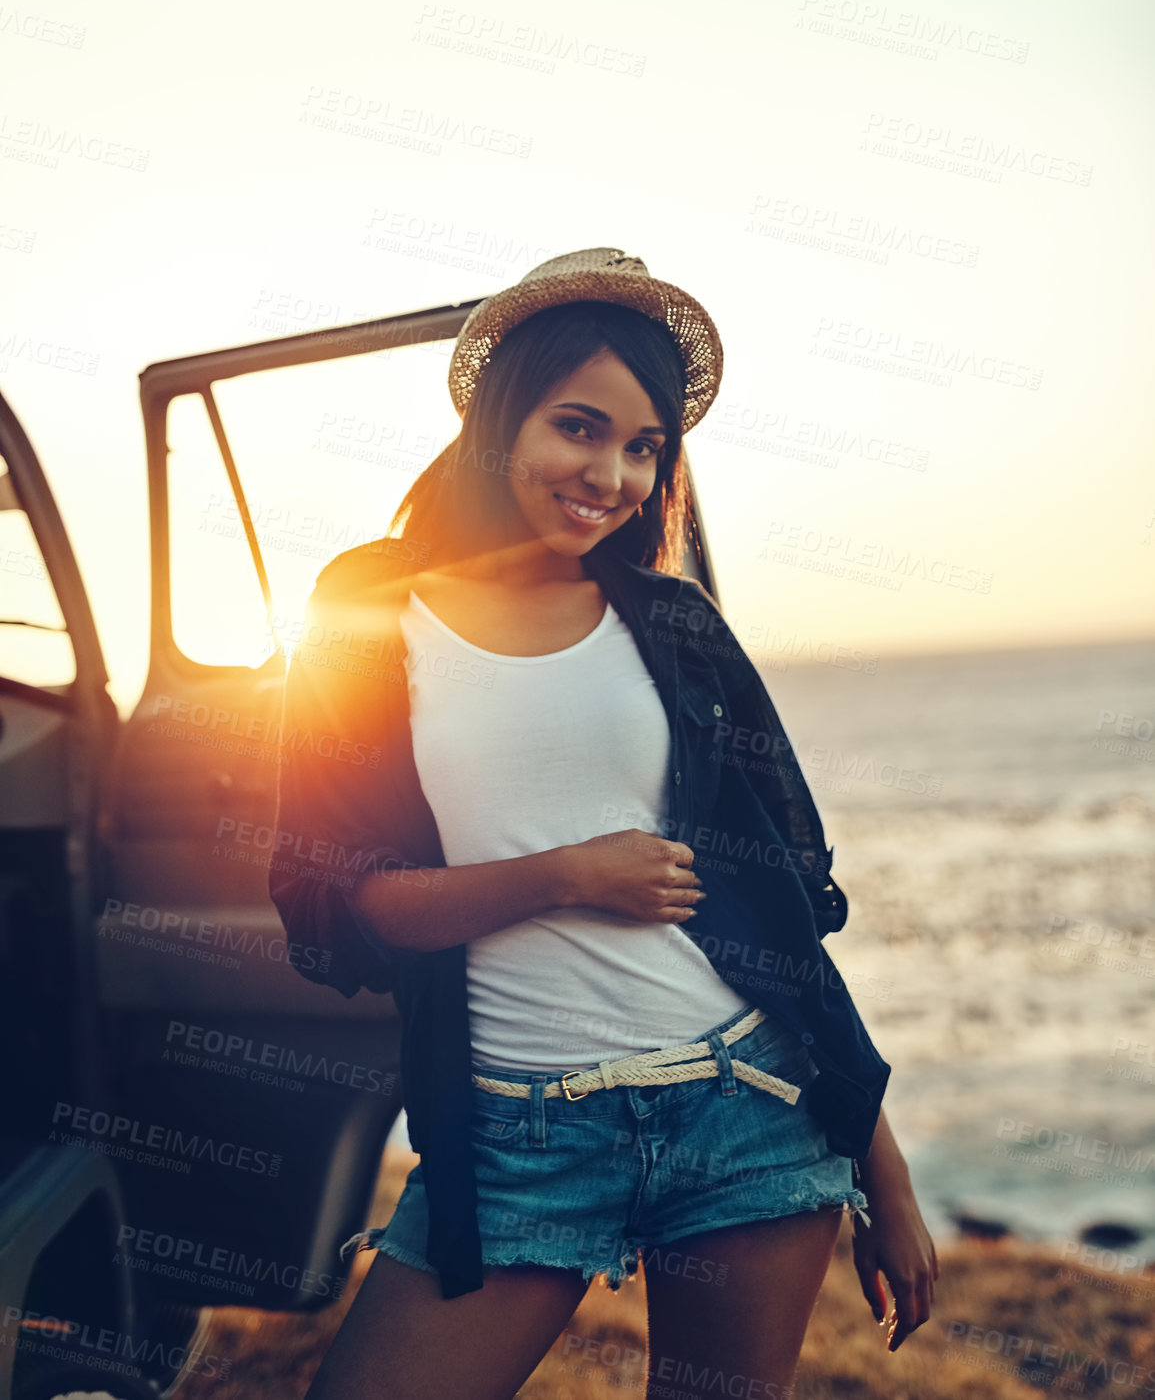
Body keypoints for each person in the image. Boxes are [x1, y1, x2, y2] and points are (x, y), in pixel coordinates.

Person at [269, 248, 938, 1400]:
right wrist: (567, 873)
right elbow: (344, 895)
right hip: (516, 1139)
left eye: (645, 448)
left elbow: (781, 930)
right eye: (580, 428)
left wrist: (890, 1180)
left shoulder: (675, 628)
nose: (614, 474)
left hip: (748, 1111)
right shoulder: (366, 607)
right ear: (499, 423)